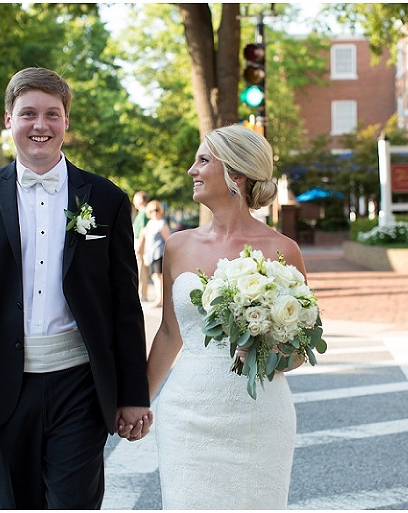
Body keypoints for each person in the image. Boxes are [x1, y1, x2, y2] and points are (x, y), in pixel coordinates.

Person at [0, 67, 152, 510]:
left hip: (80, 383)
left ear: (66, 122)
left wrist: (134, 395)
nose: (40, 125)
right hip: (2, 386)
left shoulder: (106, 199)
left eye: (52, 114)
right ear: (9, 121)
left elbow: (124, 307)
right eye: (28, 114)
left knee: (74, 502)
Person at [146, 124, 307, 509]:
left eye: (203, 160)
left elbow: (301, 346)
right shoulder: (178, 246)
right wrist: (137, 401)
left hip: (260, 417)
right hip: (186, 414)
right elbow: (170, 334)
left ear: (235, 174)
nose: (192, 170)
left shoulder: (283, 250)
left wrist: (266, 355)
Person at [139, 200, 171, 307]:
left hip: (159, 254)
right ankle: (159, 298)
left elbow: (168, 240)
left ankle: (160, 299)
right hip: (150, 254)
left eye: (157, 210)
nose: (155, 212)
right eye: (152, 210)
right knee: (154, 277)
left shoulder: (162, 223)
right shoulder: (150, 223)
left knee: (159, 277)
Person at [132, 191, 150, 301]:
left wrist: (140, 245)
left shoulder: (144, 212)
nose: (134, 201)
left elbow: (144, 230)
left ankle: (142, 294)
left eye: (135, 198)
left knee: (141, 269)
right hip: (137, 241)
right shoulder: (141, 212)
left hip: (140, 242)